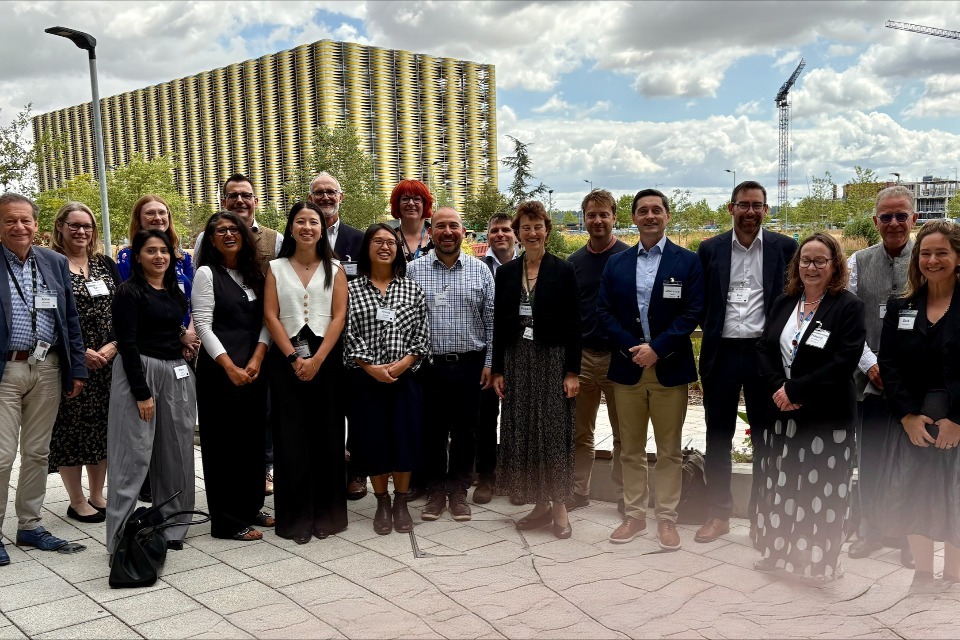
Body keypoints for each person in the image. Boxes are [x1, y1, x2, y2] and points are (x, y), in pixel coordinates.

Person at [753, 232, 864, 582]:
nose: (811, 267)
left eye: (820, 261)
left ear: (835, 265)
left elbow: (844, 360)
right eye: (805, 260)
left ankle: (819, 563)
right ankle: (778, 553)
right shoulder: (785, 301)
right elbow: (764, 348)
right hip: (784, 413)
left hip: (826, 416)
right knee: (782, 487)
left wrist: (795, 389)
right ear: (796, 264)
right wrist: (779, 387)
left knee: (822, 492)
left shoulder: (848, 306)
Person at [597, 188, 704, 551]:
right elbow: (604, 312)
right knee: (630, 449)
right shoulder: (617, 263)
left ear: (667, 216)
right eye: (643, 210)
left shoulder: (687, 262)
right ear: (634, 218)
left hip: (669, 367)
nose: (650, 216)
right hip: (628, 366)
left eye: (656, 210)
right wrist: (635, 348)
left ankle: (667, 518)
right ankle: (635, 515)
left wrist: (657, 348)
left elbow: (693, 312)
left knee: (669, 450)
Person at [694, 181, 797, 544]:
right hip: (721, 354)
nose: (750, 211)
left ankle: (761, 517)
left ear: (766, 210)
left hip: (763, 356)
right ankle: (719, 514)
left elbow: (794, 297)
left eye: (757, 205)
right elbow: (700, 299)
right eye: (743, 205)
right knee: (718, 437)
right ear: (731, 208)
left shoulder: (785, 247)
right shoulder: (710, 248)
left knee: (766, 439)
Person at [0, 193, 87, 566]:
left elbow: (70, 318)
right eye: (10, 220)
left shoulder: (53, 261)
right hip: (5, 370)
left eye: (25, 220)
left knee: (37, 452)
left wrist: (77, 367)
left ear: (36, 225)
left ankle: (30, 525)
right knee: (2, 455)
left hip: (48, 366)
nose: (19, 227)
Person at [876, 220, 960, 592]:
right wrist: (907, 415)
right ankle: (923, 574)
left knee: (955, 495)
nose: (933, 260)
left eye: (942, 252)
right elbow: (889, 363)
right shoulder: (901, 306)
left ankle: (954, 576)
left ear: (958, 257)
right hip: (915, 421)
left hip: (955, 420)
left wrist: (957, 420)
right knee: (914, 493)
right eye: (926, 253)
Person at [106, 230, 199, 556]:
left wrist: (182, 337)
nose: (159, 256)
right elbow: (127, 344)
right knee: (131, 457)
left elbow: (168, 323)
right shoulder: (128, 292)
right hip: (140, 374)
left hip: (175, 373)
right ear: (137, 256)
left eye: (164, 250)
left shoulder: (173, 289)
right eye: (151, 251)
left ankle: (173, 525)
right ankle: (120, 537)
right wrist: (141, 392)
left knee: (177, 454)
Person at [492, 201, 581, 538]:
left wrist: (572, 372)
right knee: (525, 431)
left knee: (553, 433)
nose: (532, 233)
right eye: (525, 227)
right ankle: (540, 505)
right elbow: (500, 323)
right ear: (518, 232)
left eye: (537, 226)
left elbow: (575, 324)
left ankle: (559, 507)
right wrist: (498, 369)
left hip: (552, 360)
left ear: (547, 230)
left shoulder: (563, 270)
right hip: (517, 359)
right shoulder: (507, 273)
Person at [263, 202, 348, 544]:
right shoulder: (276, 267)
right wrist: (293, 358)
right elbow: (270, 315)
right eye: (301, 221)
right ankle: (296, 518)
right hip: (287, 358)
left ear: (322, 229)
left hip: (326, 357)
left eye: (314, 222)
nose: (307, 227)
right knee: (291, 438)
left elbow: (339, 316)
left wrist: (317, 360)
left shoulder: (336, 268)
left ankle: (327, 516)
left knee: (328, 435)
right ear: (291, 227)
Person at [194, 174, 282, 498]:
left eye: (234, 230)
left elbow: (268, 316)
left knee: (254, 437)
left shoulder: (255, 271)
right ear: (211, 239)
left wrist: (258, 357)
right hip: (222, 369)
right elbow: (203, 324)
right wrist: (230, 367)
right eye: (221, 231)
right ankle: (228, 514)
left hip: (255, 365)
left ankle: (252, 502)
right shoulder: (207, 273)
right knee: (224, 442)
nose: (229, 235)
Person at [408, 206, 494, 522]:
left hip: (471, 365)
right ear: (430, 232)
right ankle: (434, 491)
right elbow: (406, 321)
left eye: (454, 226)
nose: (447, 232)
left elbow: (492, 321)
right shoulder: (413, 271)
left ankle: (458, 491)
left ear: (463, 232)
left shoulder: (480, 271)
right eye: (441, 226)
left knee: (466, 431)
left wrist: (489, 362)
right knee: (431, 430)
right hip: (428, 365)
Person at [845, 186, 916, 568]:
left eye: (901, 215)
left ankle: (909, 535)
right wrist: (870, 365)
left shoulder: (929, 259)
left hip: (916, 381)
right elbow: (849, 322)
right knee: (869, 457)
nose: (894, 223)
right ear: (875, 221)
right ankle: (869, 530)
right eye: (886, 216)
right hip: (870, 379)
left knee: (912, 461)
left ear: (914, 218)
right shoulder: (858, 262)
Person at [343, 224, 429, 534]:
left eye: (390, 242)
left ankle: (401, 501)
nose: (384, 247)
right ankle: (381, 501)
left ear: (398, 249)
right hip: (366, 381)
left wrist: (403, 364)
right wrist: (370, 367)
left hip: (405, 380)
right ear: (367, 247)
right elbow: (347, 333)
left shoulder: (412, 289)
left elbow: (422, 334)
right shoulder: (350, 290)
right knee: (373, 441)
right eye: (377, 241)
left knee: (404, 440)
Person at [116, 194, 199, 504]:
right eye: (149, 213)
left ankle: (173, 502)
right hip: (147, 356)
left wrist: (187, 334)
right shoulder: (128, 260)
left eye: (162, 213)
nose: (157, 218)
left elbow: (186, 300)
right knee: (142, 437)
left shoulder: (182, 258)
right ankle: (144, 492)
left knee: (176, 436)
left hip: (179, 354)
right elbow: (138, 311)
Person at [49, 202, 121, 524]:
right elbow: (48, 316)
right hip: (72, 364)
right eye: (74, 225)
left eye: (87, 226)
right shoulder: (51, 264)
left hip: (108, 362)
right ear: (60, 227)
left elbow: (122, 308)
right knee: (71, 431)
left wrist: (114, 345)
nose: (81, 231)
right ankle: (76, 500)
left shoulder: (104, 263)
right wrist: (80, 353)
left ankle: (97, 493)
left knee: (102, 429)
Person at [566, 190, 630, 514]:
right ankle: (579, 491)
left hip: (619, 358)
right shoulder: (573, 263)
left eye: (604, 214)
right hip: (583, 358)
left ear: (614, 217)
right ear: (584, 219)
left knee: (624, 434)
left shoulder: (630, 258)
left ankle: (624, 495)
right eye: (591, 214)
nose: (598, 220)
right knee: (580, 432)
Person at [307, 171, 367, 501]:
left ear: (341, 197)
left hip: (354, 337)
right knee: (323, 408)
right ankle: (327, 470)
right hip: (315, 339)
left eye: (331, 192)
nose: (325, 198)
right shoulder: (301, 237)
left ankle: (357, 470)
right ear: (310, 199)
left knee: (356, 408)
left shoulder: (359, 239)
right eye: (319, 193)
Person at [473, 212, 518, 504]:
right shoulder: (477, 268)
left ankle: (515, 476)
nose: (500, 234)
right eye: (494, 230)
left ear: (515, 234)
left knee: (518, 417)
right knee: (486, 418)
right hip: (489, 353)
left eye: (506, 230)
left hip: (521, 352)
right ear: (487, 235)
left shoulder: (529, 265)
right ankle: (486, 476)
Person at [392, 179, 434, 262]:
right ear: (397, 204)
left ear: (425, 204)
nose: (411, 203)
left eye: (417, 199)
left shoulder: (437, 238)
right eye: (405, 199)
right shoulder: (389, 239)